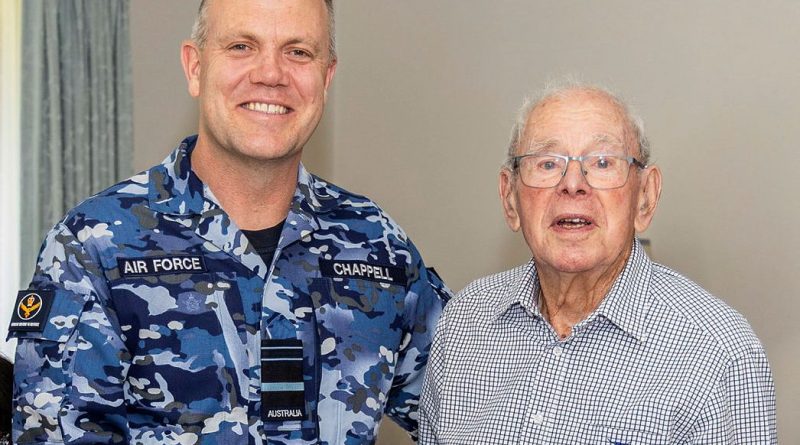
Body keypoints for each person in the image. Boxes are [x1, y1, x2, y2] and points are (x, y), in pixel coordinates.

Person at [9, 0, 450, 444]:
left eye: (298, 52)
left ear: (327, 77)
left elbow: (471, 407)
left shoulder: (379, 246)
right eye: (242, 46)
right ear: (195, 67)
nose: (271, 74)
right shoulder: (93, 246)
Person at [419, 83, 776, 444]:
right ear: (510, 199)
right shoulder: (463, 323)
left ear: (645, 199)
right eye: (547, 163)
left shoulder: (720, 353)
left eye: (603, 162)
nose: (573, 184)